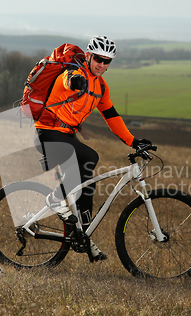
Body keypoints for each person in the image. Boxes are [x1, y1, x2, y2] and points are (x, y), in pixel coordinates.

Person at [35, 36, 151, 262]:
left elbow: (111, 116)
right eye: (98, 59)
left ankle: (84, 237)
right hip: (47, 132)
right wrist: (77, 83)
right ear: (88, 56)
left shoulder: (100, 86)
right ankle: (55, 199)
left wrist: (133, 141)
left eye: (108, 61)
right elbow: (68, 81)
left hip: (66, 136)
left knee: (87, 182)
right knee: (90, 156)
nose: (102, 65)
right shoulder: (74, 73)